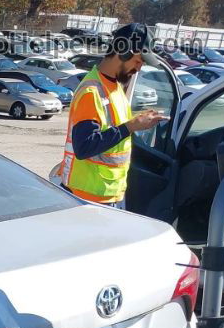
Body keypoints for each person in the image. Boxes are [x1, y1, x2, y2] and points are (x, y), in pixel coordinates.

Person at [59, 23, 166, 209]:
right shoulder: (92, 92)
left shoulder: (116, 87)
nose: (139, 69)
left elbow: (116, 135)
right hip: (86, 198)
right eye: (138, 61)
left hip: (106, 195)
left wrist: (138, 123)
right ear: (122, 52)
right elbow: (84, 147)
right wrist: (131, 126)